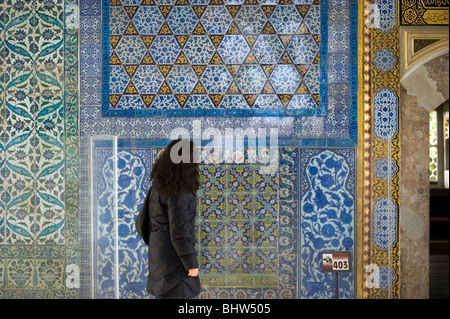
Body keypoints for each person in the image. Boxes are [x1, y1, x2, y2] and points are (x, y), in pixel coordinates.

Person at [136, 139, 201, 299]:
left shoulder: (159, 184)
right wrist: (191, 264)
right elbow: (179, 231)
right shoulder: (180, 189)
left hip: (159, 254)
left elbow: (144, 222)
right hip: (175, 262)